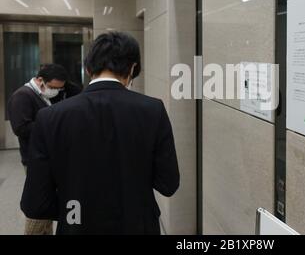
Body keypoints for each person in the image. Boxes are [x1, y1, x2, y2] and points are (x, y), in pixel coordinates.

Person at [20, 32, 180, 235]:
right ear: (132, 68)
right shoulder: (153, 110)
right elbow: (168, 184)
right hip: (138, 225)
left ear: (88, 69)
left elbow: (35, 204)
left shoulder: (49, 117)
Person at [7, 63, 68, 235]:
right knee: (38, 207)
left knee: (46, 207)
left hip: (47, 159)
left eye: (59, 88)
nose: (55, 91)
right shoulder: (22, 96)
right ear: (40, 80)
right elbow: (21, 128)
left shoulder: (41, 94)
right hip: (35, 160)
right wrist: (53, 126)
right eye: (53, 87)